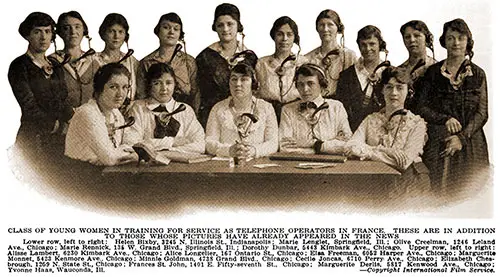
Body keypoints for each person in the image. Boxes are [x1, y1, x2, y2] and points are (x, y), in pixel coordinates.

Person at [416, 19, 489, 189]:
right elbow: (420, 107)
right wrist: (445, 118)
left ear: (467, 42)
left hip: (471, 143)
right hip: (441, 141)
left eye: (460, 38)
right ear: (444, 42)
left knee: (471, 191)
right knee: (441, 191)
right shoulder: (433, 73)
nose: (456, 43)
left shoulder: (478, 74)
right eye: (450, 38)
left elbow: (482, 113)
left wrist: (461, 138)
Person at [344, 66, 430, 197]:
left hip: (409, 183)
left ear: (409, 92)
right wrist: (386, 151)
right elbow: (350, 146)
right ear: (382, 90)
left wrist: (368, 151)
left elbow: (404, 161)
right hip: (375, 181)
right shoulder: (370, 120)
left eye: (400, 88)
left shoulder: (417, 124)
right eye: (389, 87)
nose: (394, 93)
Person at [8, 12, 73, 163]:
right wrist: (56, 126)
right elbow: (28, 104)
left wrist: (74, 121)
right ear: (27, 36)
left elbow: (63, 98)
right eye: (37, 32)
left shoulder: (56, 65)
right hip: (33, 137)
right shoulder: (19, 66)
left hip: (59, 140)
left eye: (47, 31)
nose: (43, 37)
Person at [205, 55, 278, 161]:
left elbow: (273, 143)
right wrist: (229, 150)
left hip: (257, 165)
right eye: (234, 79)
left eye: (244, 79)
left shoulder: (266, 108)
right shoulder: (218, 108)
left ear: (253, 84)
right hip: (225, 165)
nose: (237, 84)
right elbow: (209, 142)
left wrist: (254, 150)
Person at [65, 63, 138, 166]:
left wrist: (131, 151)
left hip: (104, 173)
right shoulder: (87, 113)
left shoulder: (115, 113)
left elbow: (132, 142)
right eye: (113, 87)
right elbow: (110, 159)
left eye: (125, 87)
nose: (120, 94)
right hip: (78, 174)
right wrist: (132, 153)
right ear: (99, 88)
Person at [123, 63, 204, 154]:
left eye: (169, 83)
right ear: (149, 85)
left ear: (175, 84)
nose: (164, 88)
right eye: (157, 83)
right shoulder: (139, 108)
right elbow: (131, 143)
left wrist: (168, 151)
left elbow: (200, 145)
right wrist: (172, 142)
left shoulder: (185, 110)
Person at [196, 3, 253, 128]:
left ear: (238, 25)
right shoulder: (205, 57)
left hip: (244, 117)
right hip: (212, 117)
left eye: (230, 24)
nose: (225, 29)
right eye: (220, 25)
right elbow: (198, 93)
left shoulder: (250, 57)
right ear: (215, 27)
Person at [279, 64, 351, 154]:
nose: (305, 89)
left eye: (310, 83)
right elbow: (284, 147)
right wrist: (321, 148)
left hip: (333, 162)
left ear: (321, 85)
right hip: (298, 163)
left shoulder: (336, 107)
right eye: (300, 84)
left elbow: (346, 143)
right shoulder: (288, 110)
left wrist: (313, 145)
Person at [137, 13, 199, 114]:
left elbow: (195, 94)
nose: (171, 32)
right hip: (153, 114)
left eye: (176, 29)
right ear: (158, 31)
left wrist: (194, 116)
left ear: (180, 34)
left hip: (183, 113)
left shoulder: (189, 62)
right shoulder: (146, 63)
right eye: (166, 27)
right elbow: (141, 95)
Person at [336, 25, 389, 132]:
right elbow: (341, 110)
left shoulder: (390, 73)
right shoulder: (346, 76)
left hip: (384, 131)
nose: (368, 49)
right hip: (353, 131)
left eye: (372, 44)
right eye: (363, 45)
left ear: (380, 45)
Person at [255, 16, 307, 122]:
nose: (284, 39)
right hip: (267, 115)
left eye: (289, 34)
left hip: (296, 115)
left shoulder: (303, 63)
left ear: (295, 38)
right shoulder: (261, 64)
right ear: (273, 36)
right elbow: (255, 93)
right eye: (280, 34)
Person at [49, 11, 100, 108]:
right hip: (62, 120)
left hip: (90, 118)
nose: (73, 32)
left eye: (77, 27)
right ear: (59, 33)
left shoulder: (94, 61)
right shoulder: (52, 61)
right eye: (66, 28)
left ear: (84, 30)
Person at [305, 9, 356, 98]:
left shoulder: (349, 56)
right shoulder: (308, 58)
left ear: (338, 28)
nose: (325, 29)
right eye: (321, 25)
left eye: (330, 25)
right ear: (317, 28)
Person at [95, 13, 139, 106]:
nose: (116, 36)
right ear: (103, 34)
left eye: (120, 32)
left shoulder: (132, 61)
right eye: (111, 31)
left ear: (126, 36)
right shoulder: (93, 60)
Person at [398, 20, 437, 111]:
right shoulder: (399, 70)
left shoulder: (438, 68)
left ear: (426, 39)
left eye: (417, 35)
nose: (412, 40)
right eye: (407, 37)